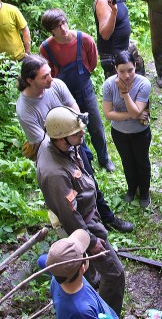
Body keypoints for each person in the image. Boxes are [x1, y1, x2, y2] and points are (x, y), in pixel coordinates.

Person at [16, 54, 134, 233]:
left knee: (89, 181)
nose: (50, 78)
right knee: (67, 196)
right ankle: (79, 229)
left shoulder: (56, 85)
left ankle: (106, 218)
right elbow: (43, 143)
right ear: (29, 80)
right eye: (44, 76)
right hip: (54, 155)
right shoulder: (25, 109)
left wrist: (74, 136)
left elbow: (74, 110)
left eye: (50, 73)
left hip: (73, 142)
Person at [38, 106, 125, 315]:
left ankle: (91, 285)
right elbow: (70, 216)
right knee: (114, 274)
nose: (82, 134)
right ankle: (105, 316)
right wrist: (92, 242)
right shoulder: (55, 174)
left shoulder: (62, 144)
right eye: (76, 133)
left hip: (88, 216)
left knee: (90, 270)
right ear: (60, 138)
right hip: (83, 226)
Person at [39, 8, 115, 173]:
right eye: (58, 27)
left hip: (85, 89)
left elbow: (93, 63)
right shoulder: (46, 49)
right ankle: (86, 160)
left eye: (64, 23)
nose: (64, 29)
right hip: (64, 95)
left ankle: (104, 160)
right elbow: (49, 74)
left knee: (95, 126)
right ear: (51, 30)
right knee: (74, 128)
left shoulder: (84, 40)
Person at [102, 51, 152, 208]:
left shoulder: (143, 83)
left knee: (142, 162)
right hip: (119, 133)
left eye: (130, 70)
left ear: (135, 66)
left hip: (140, 133)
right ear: (116, 68)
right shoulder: (109, 84)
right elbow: (108, 114)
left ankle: (144, 191)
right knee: (127, 162)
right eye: (122, 71)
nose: (127, 75)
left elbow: (136, 111)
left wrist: (124, 93)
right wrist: (134, 115)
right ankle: (131, 188)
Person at [42, 230, 122, 319]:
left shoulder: (57, 279)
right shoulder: (82, 313)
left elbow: (41, 260)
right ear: (82, 268)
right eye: (84, 252)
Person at [93, 0, 145, 78]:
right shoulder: (102, 2)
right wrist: (114, 11)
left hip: (125, 47)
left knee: (138, 74)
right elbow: (105, 34)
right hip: (113, 54)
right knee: (119, 86)